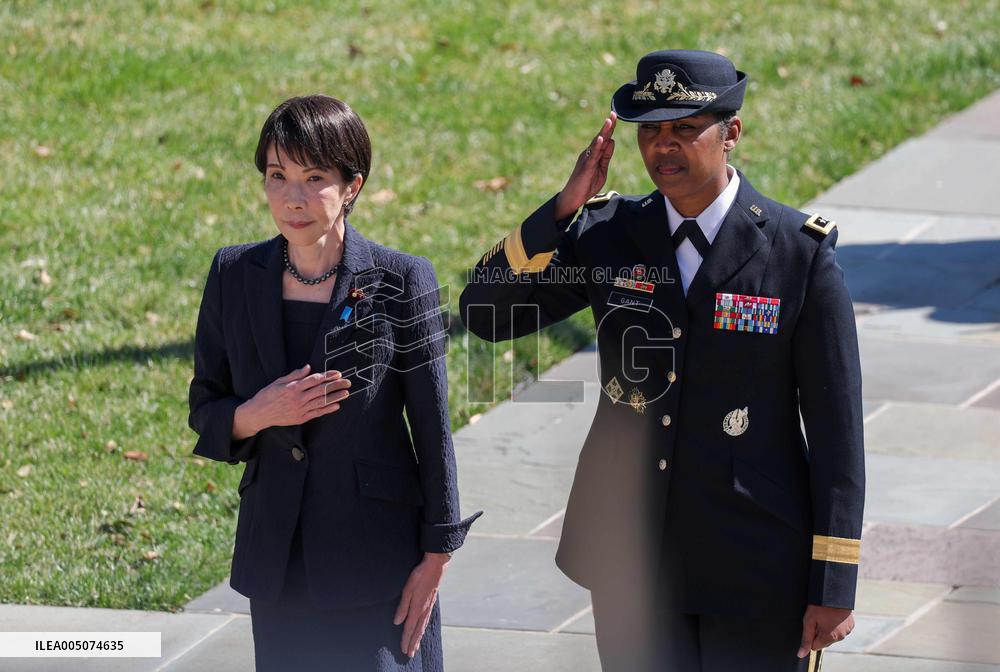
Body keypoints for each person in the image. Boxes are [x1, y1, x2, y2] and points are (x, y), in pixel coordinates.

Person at [459, 50, 864, 671]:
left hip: (753, 557)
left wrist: (833, 584)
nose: (662, 148)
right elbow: (486, 314)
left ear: (731, 133)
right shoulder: (607, 233)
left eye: (683, 129)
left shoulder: (796, 254)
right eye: (649, 131)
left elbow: (838, 433)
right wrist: (562, 208)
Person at [188, 94, 481, 671]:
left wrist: (437, 554)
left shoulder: (403, 279)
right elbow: (206, 406)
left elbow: (432, 426)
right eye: (278, 176)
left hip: (375, 564)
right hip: (278, 559)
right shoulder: (233, 275)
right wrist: (261, 412)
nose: (292, 198)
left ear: (352, 185)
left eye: (314, 177)